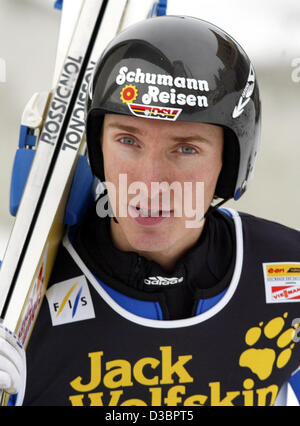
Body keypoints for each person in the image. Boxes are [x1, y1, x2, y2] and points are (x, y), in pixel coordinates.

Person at [1, 15, 300, 407]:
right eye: (128, 139)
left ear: (230, 163)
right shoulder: (20, 297)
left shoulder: (285, 272)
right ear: (98, 148)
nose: (150, 181)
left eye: (186, 148)